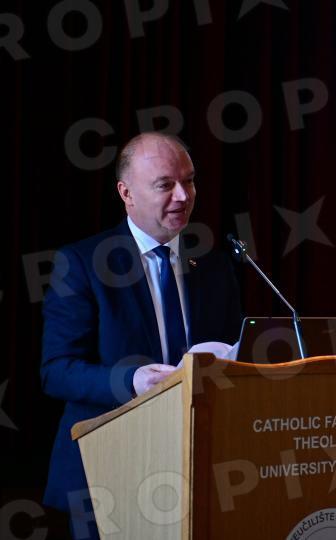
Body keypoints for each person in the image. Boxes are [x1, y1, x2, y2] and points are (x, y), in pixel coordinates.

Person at [40, 132, 242, 538]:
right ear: (126, 193)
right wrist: (131, 380)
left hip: (196, 468)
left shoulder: (215, 265)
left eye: (189, 181)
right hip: (108, 471)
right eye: (166, 185)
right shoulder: (82, 263)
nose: (183, 196)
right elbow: (56, 371)